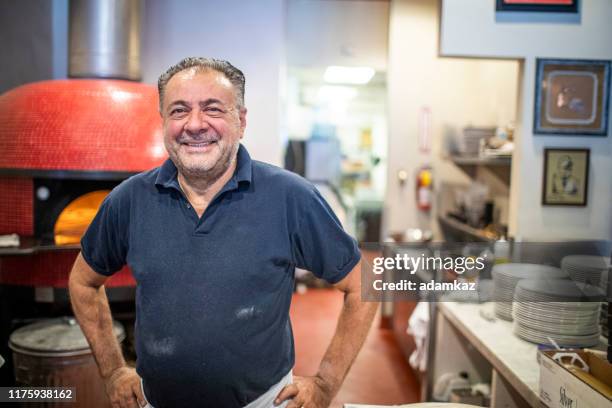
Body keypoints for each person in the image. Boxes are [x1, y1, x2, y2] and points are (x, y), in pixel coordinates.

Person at [68, 57, 378, 408]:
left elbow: (363, 284)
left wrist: (324, 383)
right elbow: (83, 282)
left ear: (241, 121)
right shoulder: (128, 200)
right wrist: (112, 372)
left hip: (262, 402)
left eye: (212, 109)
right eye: (179, 111)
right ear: (164, 122)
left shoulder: (290, 197)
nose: (195, 125)